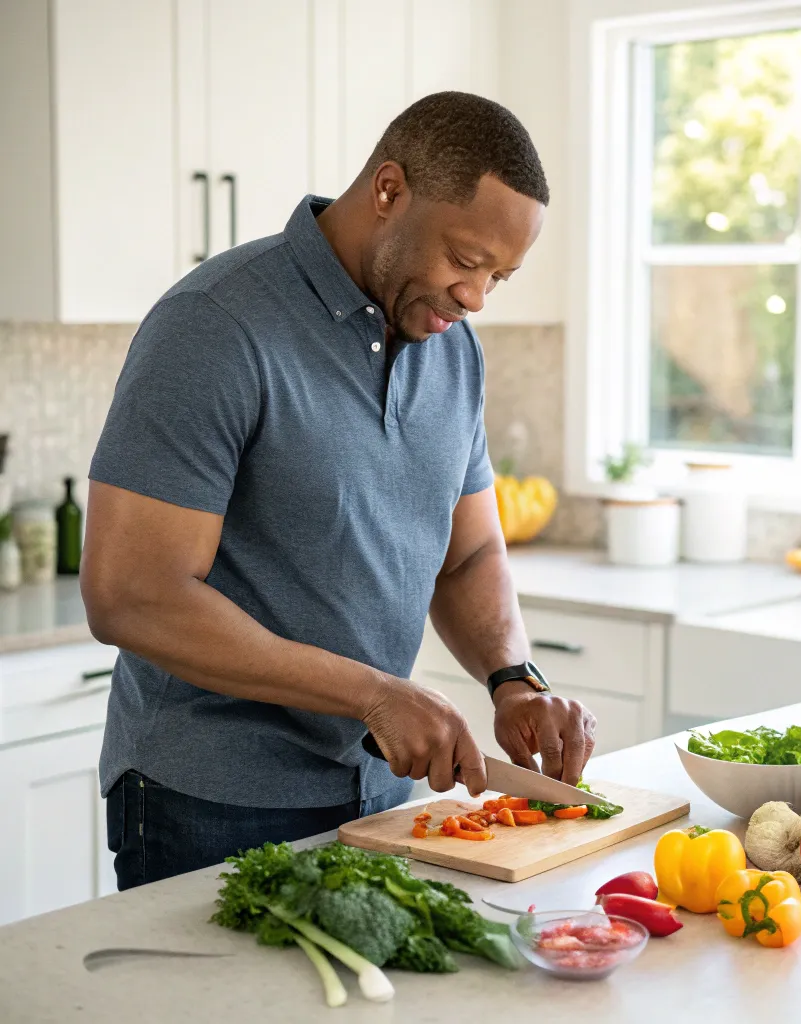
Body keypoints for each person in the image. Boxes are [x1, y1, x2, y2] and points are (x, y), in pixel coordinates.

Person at [81, 91, 597, 891]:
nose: (476, 298)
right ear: (388, 191)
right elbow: (130, 594)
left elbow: (468, 557)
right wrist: (374, 695)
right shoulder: (215, 326)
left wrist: (512, 678)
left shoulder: (454, 354)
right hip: (210, 799)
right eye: (465, 260)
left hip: (379, 794)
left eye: (500, 275)